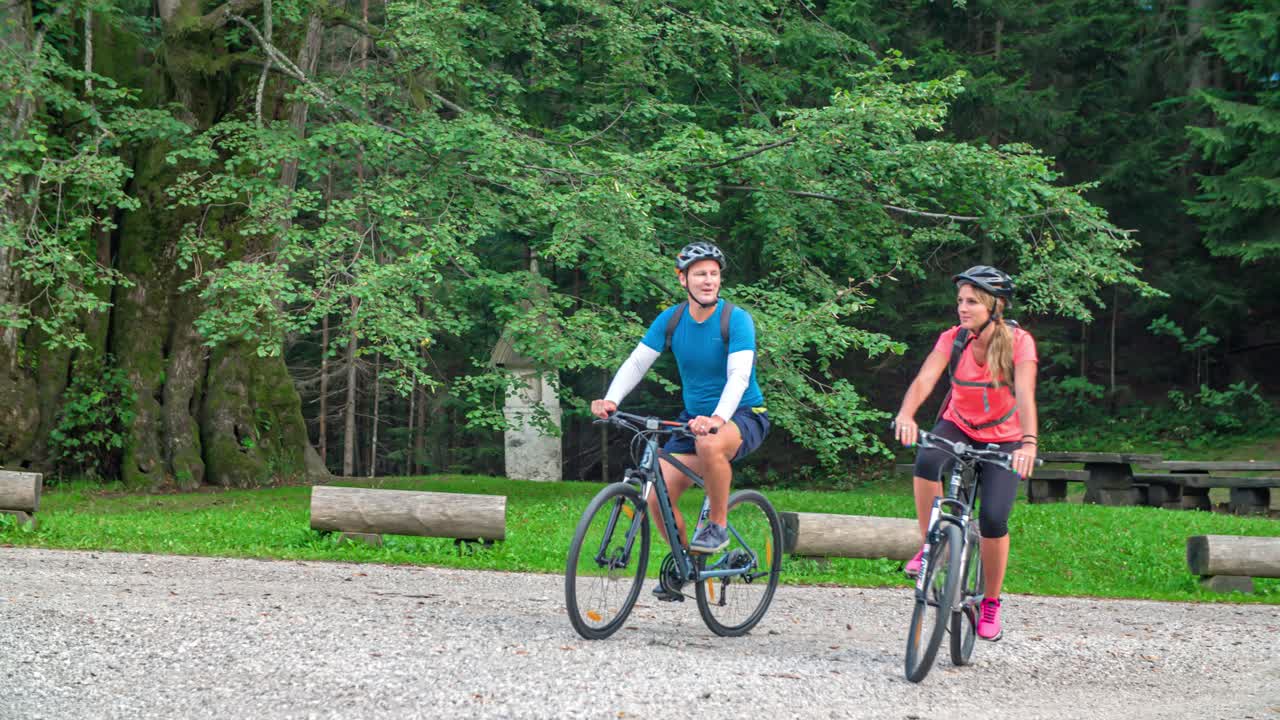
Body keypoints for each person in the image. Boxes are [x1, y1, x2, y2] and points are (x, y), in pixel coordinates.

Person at [590, 242, 770, 600]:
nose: (708, 281)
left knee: (709, 443)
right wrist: (611, 399)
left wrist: (718, 418)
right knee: (656, 496)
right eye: (700, 274)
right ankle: (688, 563)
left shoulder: (735, 319)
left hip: (742, 415)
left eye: (714, 274)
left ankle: (717, 524)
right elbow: (638, 362)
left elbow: (738, 375)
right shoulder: (671, 320)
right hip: (694, 419)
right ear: (682, 279)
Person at [893, 265, 1039, 642]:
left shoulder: (1019, 342)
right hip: (958, 424)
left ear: (995, 305)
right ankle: (931, 547)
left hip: (1004, 438)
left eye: (972, 301)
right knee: (926, 460)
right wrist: (906, 414)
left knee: (992, 518)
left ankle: (990, 601)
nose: (962, 307)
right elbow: (925, 378)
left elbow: (1025, 393)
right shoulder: (953, 339)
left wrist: (1028, 442)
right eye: (960, 300)